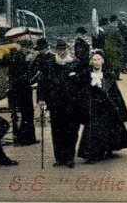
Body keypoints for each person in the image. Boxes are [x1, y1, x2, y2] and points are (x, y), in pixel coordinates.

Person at [77, 49, 127, 163]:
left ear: (102, 61)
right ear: (90, 62)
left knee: (108, 128)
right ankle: (93, 153)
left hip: (107, 106)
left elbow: (116, 93)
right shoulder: (86, 76)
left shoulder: (108, 75)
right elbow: (81, 92)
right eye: (94, 60)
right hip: (93, 107)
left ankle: (108, 149)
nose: (96, 62)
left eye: (98, 59)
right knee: (93, 129)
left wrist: (121, 111)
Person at [45, 39, 83, 168]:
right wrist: (42, 99)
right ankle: (59, 158)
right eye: (59, 49)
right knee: (57, 131)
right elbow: (43, 82)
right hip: (56, 104)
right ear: (56, 50)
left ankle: (69, 157)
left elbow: (82, 84)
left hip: (72, 104)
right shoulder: (50, 63)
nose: (61, 52)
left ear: (67, 49)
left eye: (63, 49)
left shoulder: (75, 63)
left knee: (71, 131)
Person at [7, 37, 38, 145]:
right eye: (28, 48)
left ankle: (28, 137)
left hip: (20, 89)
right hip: (22, 90)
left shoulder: (17, 56)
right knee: (27, 113)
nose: (29, 51)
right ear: (24, 47)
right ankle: (24, 138)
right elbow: (21, 75)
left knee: (27, 114)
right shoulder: (20, 58)